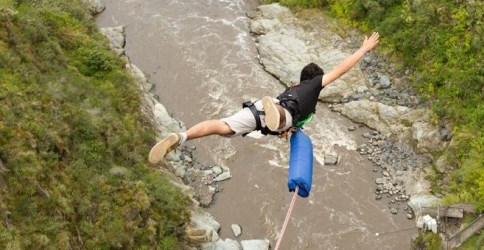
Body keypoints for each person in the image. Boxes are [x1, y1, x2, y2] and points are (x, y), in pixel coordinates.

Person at [148, 32, 380, 164]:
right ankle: (275, 115)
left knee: (223, 127)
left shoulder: (293, 87)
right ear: (315, 79)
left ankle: (182, 136)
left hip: (260, 107)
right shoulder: (313, 87)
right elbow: (341, 70)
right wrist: (363, 50)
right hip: (280, 114)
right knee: (282, 118)